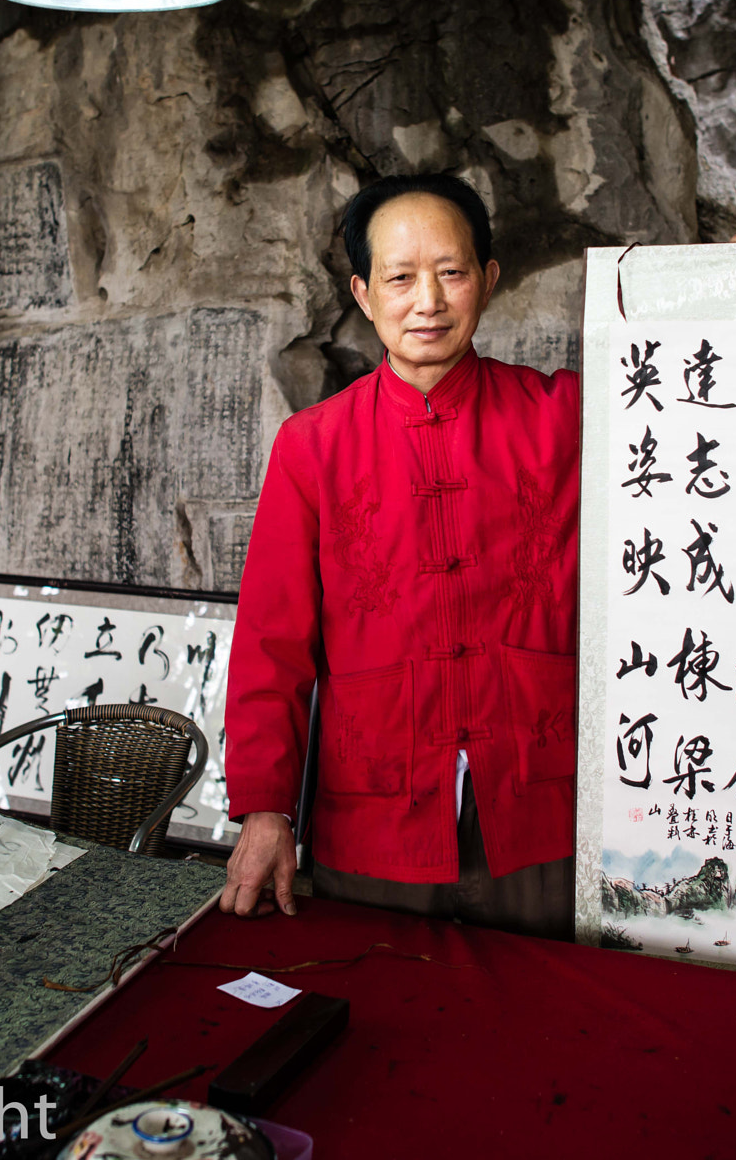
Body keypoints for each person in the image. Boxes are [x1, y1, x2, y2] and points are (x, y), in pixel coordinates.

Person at [219, 172, 581, 939]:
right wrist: (264, 808)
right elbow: (271, 643)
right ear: (362, 290)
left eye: (451, 272)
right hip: (375, 816)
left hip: (540, 811)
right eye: (401, 277)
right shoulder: (311, 446)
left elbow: (688, 394)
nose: (429, 300)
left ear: (487, 279)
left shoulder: (565, 418)